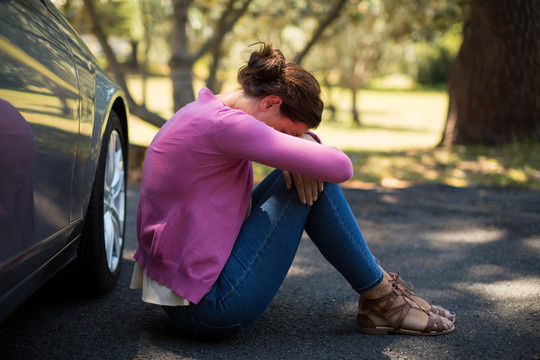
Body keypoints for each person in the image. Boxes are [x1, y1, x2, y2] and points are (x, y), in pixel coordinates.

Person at [130, 42, 455, 340]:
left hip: (179, 296)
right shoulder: (228, 126)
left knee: (306, 172)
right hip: (208, 310)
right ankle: (384, 298)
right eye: (287, 133)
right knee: (320, 180)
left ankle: (383, 296)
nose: (287, 140)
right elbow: (341, 167)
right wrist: (306, 149)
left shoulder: (203, 109)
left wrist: (299, 150)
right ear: (271, 102)